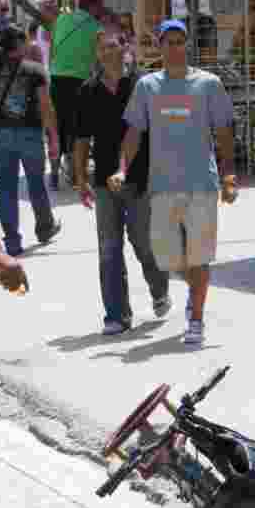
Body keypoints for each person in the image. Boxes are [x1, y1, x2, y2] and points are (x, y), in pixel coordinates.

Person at [109, 19, 238, 347]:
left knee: (200, 257)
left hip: (202, 184)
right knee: (166, 258)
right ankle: (195, 288)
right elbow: (134, 132)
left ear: (187, 45)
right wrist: (124, 169)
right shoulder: (147, 86)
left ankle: (196, 319)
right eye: (169, 42)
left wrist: (229, 175)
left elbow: (223, 131)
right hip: (162, 185)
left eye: (180, 41)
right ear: (160, 46)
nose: (175, 47)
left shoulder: (209, 83)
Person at [73, 30, 171, 335]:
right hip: (104, 181)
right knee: (109, 248)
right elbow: (81, 138)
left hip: (142, 177)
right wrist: (79, 177)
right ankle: (116, 315)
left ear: (123, 48)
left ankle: (159, 289)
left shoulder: (144, 85)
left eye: (112, 46)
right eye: (101, 48)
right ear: (97, 54)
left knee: (144, 244)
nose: (107, 52)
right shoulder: (87, 91)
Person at [0, 24, 62, 256]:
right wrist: (53, 138)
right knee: (36, 185)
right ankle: (45, 228)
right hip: (30, 134)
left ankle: (12, 241)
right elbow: (46, 106)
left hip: (1, 135)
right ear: (20, 44)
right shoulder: (35, 70)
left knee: (7, 188)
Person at [45, 0, 104, 189]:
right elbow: (99, 59)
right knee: (76, 126)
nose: (102, 8)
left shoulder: (61, 20)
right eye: (100, 4)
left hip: (56, 79)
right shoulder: (96, 27)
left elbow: (52, 48)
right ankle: (73, 173)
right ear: (92, 5)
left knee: (56, 127)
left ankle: (53, 173)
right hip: (79, 81)